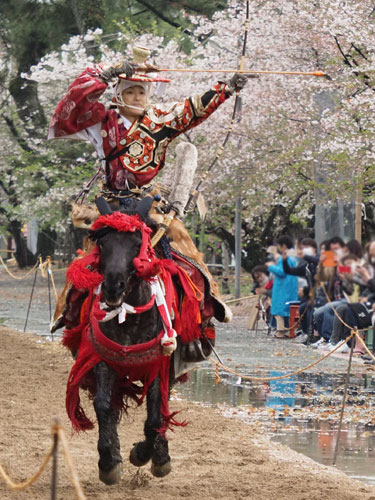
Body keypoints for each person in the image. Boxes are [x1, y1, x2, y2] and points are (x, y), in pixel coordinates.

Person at [48, 55, 251, 338]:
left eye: (141, 92)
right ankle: (69, 313)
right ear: (118, 94)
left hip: (147, 203)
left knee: (182, 252)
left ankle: (204, 310)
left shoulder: (160, 120)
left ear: (148, 95)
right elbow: (71, 109)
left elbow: (193, 109)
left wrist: (226, 88)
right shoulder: (100, 120)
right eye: (129, 91)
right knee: (92, 262)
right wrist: (107, 74)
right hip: (110, 206)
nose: (136, 97)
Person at [266, 235, 298, 338]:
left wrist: (270, 266)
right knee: (290, 310)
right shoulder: (294, 256)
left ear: (283, 246)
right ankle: (291, 331)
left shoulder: (284, 257)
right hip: (292, 286)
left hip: (282, 286)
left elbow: (281, 272)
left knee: (278, 309)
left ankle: (281, 331)